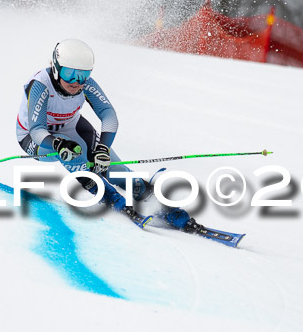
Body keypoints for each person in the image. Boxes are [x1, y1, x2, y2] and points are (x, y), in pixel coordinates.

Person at [15, 38, 201, 231]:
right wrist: (57, 144)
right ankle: (108, 196)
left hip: (70, 127)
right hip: (35, 139)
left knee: (113, 168)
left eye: (83, 75)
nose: (76, 82)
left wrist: (103, 148)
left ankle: (152, 198)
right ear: (55, 67)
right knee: (73, 152)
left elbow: (109, 115)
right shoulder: (40, 85)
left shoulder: (86, 85)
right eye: (69, 74)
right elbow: (37, 130)